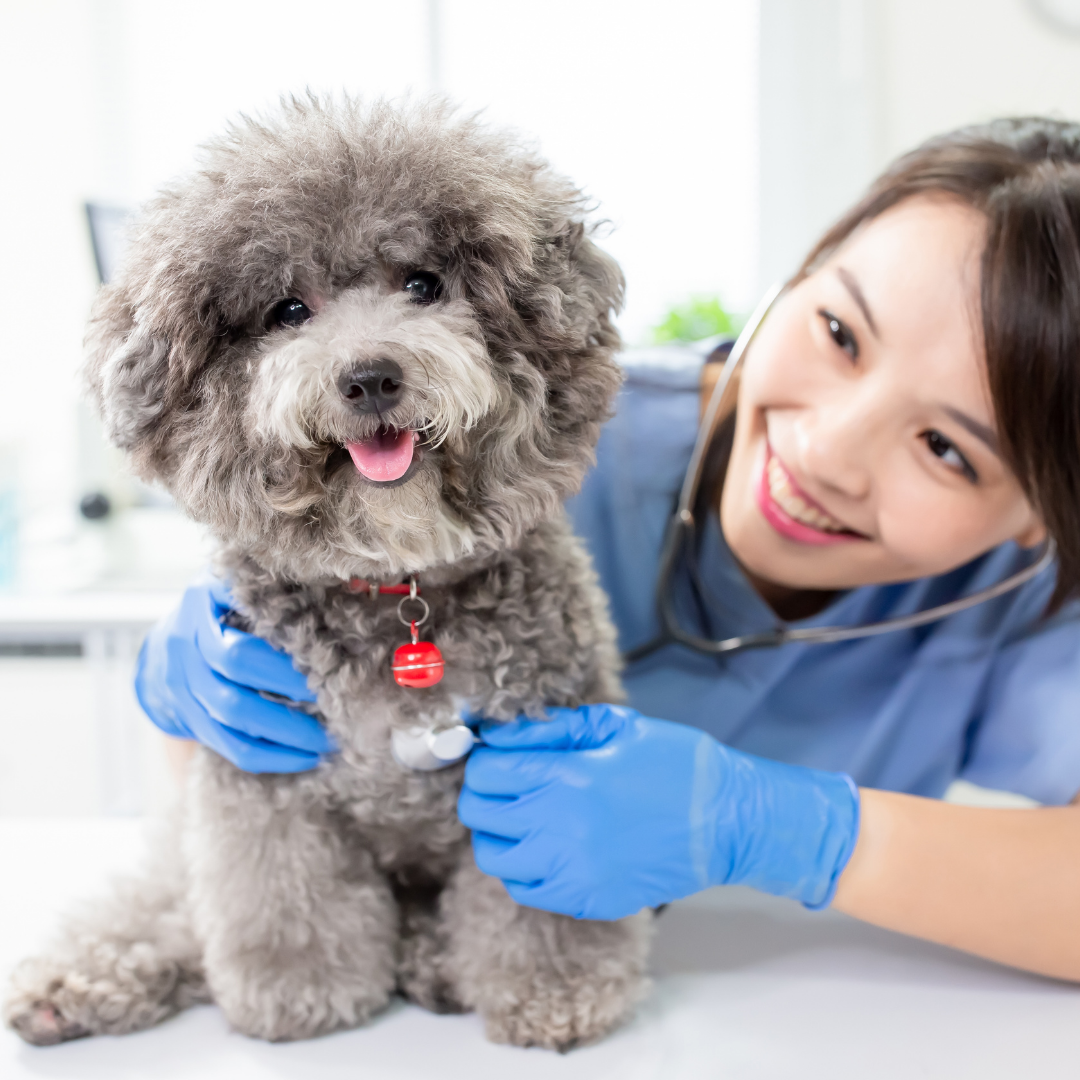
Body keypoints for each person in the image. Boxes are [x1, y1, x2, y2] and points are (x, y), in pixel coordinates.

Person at [137, 118, 1080, 981]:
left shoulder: (1029, 602)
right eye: (839, 331)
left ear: (1044, 515)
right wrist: (198, 712)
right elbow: (267, 796)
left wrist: (790, 832)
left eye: (948, 448)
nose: (827, 452)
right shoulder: (517, 434)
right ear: (798, 273)